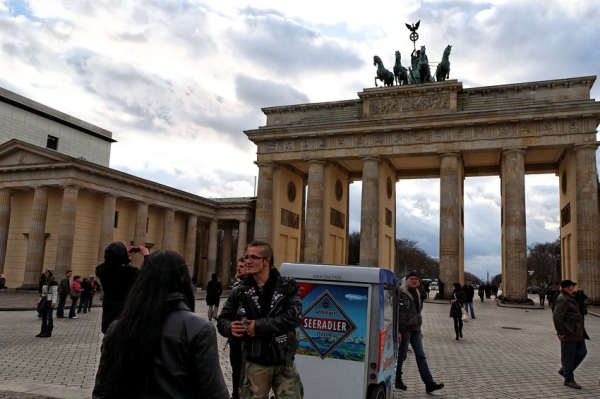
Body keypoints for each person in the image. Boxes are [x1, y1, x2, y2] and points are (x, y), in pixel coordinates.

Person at [92, 250, 228, 399]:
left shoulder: (117, 327)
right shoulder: (199, 329)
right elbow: (215, 394)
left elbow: (101, 392)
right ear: (182, 279)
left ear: (142, 280)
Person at [217, 241, 304, 399]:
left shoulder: (287, 286)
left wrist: (259, 326)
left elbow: (294, 316)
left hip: (283, 359)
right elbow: (223, 319)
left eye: (253, 257)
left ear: (267, 261)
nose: (247, 261)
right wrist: (230, 327)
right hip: (255, 360)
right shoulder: (240, 291)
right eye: (246, 257)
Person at [395, 271, 444, 393]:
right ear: (406, 280)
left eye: (416, 279)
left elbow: (417, 312)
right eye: (411, 278)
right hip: (404, 328)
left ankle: (429, 383)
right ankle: (397, 379)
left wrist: (420, 328)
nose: (414, 280)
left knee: (421, 355)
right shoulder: (400, 291)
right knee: (401, 355)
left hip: (415, 329)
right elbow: (394, 312)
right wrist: (397, 331)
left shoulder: (417, 292)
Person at [95, 242, 143, 334]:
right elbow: (147, 274)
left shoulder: (100, 270)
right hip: (124, 310)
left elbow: (107, 265)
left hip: (108, 311)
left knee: (109, 336)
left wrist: (123, 257)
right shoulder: (130, 271)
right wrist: (147, 256)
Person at [552, 279, 588, 389]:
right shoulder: (563, 299)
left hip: (577, 333)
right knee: (568, 357)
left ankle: (565, 371)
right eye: (573, 286)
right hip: (569, 333)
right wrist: (561, 333)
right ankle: (569, 379)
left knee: (582, 352)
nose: (574, 287)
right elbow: (557, 317)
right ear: (569, 287)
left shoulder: (570, 297)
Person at [228, 258, 249, 399]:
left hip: (249, 341)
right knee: (236, 372)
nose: (238, 269)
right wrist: (229, 327)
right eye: (238, 266)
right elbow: (225, 316)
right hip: (236, 340)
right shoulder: (237, 288)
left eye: (241, 266)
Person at [36, 269, 58, 338]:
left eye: (47, 273)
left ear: (51, 274)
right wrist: (40, 300)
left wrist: (54, 302)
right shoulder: (45, 282)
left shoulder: (54, 282)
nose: (46, 274)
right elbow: (43, 293)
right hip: (44, 300)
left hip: (50, 300)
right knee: (43, 316)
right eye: (45, 273)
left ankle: (48, 332)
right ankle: (43, 331)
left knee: (49, 316)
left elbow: (55, 293)